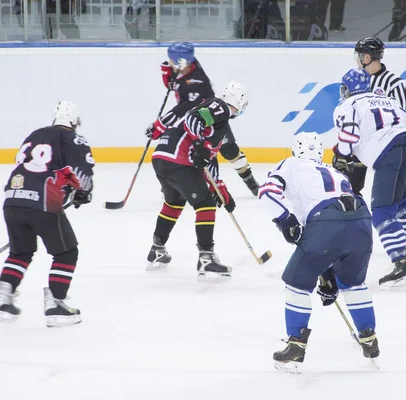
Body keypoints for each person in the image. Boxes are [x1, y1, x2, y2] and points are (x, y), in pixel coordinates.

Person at [259, 132, 379, 374]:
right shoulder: (335, 171)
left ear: (295, 150)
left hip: (326, 222)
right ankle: (369, 339)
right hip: (361, 221)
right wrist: (328, 273)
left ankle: (295, 346)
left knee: (296, 284)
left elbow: (268, 192)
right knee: (353, 284)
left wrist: (286, 220)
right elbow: (340, 229)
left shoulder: (290, 164)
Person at [0, 100, 94, 327]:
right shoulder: (73, 138)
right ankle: (56, 305)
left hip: (13, 198)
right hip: (44, 202)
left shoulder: (35, 134)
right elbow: (82, 172)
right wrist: (83, 192)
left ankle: (5, 298)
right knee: (66, 252)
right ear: (74, 122)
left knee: (20, 252)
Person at [333, 68, 406, 287]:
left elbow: (349, 135)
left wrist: (343, 155)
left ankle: (401, 263)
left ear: (346, 89)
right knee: (402, 202)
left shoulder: (347, 105)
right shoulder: (385, 99)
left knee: (381, 212)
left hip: (390, 154)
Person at [146, 82, 249, 281]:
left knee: (174, 202)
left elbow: (208, 159)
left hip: (162, 157)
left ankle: (157, 249)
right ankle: (206, 257)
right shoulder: (220, 108)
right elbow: (193, 119)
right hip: (177, 159)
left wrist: (220, 189)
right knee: (205, 204)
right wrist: (199, 143)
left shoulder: (219, 125)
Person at [348, 38, 406, 272]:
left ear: (369, 56)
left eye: (361, 54)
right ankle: (357, 238)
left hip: (387, 149)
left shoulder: (393, 82)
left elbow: (401, 117)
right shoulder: (359, 78)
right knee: (355, 192)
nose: (358, 59)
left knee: (393, 201)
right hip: (369, 148)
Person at [146, 42, 260, 196]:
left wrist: (161, 124)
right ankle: (176, 184)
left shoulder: (197, 82)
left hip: (212, 119)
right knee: (188, 152)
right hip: (193, 122)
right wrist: (170, 76)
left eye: (173, 61)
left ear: (181, 62)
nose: (170, 62)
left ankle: (250, 182)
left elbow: (187, 107)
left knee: (229, 151)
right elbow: (178, 87)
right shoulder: (188, 66)